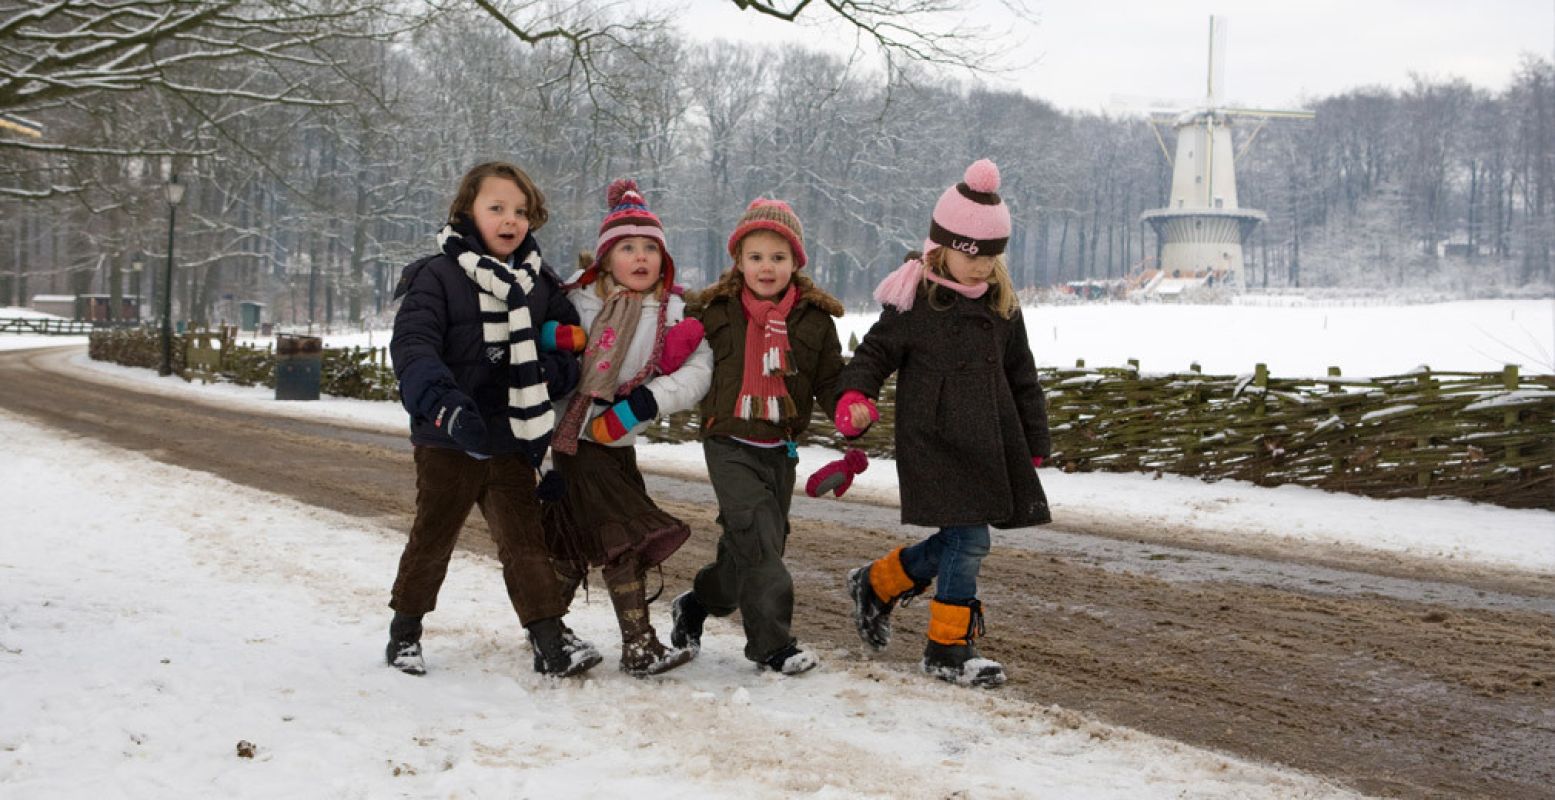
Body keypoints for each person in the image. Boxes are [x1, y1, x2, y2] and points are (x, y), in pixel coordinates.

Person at [834, 159, 1052, 688]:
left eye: (992, 256)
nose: (981, 267)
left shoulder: (1002, 305)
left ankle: (878, 583)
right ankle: (947, 649)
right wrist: (855, 395)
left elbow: (1022, 374)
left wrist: (1034, 438)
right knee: (971, 540)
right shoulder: (916, 303)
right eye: (971, 254)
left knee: (963, 539)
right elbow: (874, 353)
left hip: (989, 441)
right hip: (934, 440)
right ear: (941, 246)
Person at [384, 161, 602, 679]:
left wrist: (545, 373)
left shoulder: (539, 284)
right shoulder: (435, 276)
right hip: (448, 435)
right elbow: (414, 348)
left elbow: (571, 348)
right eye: (497, 208)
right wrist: (445, 406)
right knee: (434, 536)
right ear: (468, 213)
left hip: (512, 434)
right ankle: (405, 634)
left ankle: (551, 639)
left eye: (521, 211)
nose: (511, 220)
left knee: (524, 541)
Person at [668, 198, 845, 676]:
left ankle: (698, 603)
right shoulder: (715, 312)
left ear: (796, 262)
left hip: (780, 449)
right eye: (756, 257)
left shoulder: (813, 320)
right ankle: (772, 645)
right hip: (727, 442)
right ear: (739, 261)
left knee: (752, 549)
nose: (767, 267)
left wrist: (849, 407)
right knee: (760, 543)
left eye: (778, 257)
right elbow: (678, 357)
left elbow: (830, 381)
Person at [544, 179, 712, 677]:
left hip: (616, 440)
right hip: (572, 437)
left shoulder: (673, 311)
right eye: (627, 247)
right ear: (605, 257)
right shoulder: (578, 300)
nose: (640, 258)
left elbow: (699, 372)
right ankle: (637, 644)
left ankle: (546, 631)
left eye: (650, 248)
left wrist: (643, 402)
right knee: (621, 535)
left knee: (578, 538)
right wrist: (555, 339)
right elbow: (541, 344)